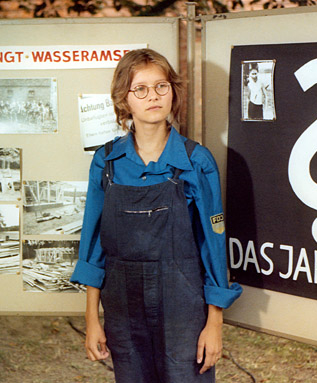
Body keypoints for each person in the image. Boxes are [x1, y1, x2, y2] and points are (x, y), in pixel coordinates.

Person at [70, 48, 242, 383]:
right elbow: (92, 246)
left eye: (161, 86)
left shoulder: (197, 161)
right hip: (122, 306)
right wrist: (92, 319)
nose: (153, 97)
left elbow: (213, 248)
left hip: (183, 307)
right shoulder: (106, 163)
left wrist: (214, 323)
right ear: (124, 100)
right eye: (141, 89)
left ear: (173, 93)